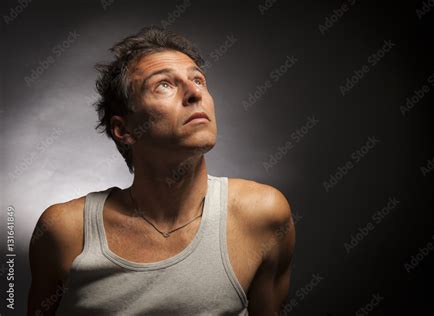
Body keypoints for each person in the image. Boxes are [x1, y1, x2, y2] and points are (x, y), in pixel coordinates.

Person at [27, 25, 296, 315]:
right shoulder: (64, 230)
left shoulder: (263, 216)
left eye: (199, 80)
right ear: (124, 129)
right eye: (163, 84)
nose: (195, 92)